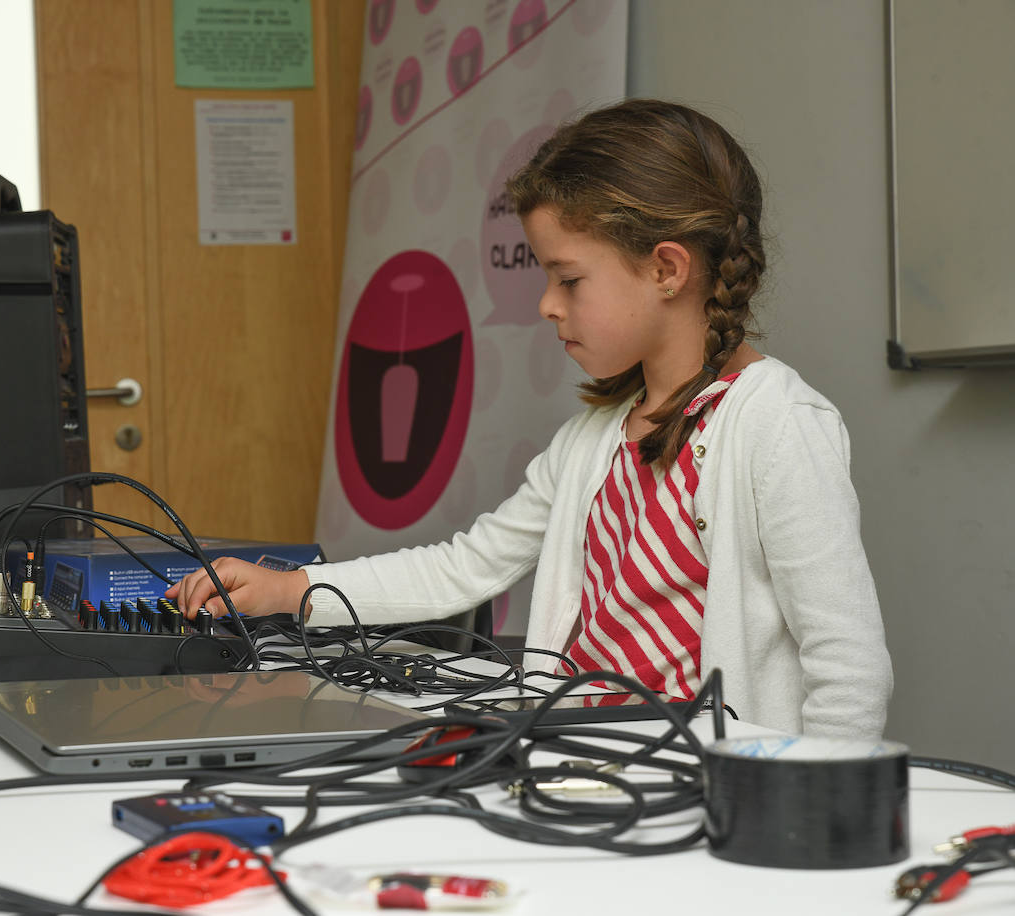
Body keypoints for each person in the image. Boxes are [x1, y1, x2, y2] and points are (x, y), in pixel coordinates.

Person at [166, 98, 892, 738]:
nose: (547, 305)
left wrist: (811, 810)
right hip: (579, 768)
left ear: (668, 270)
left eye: (568, 279)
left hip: (713, 800)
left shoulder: (778, 426)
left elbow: (849, 670)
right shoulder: (591, 442)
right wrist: (293, 592)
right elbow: (467, 566)